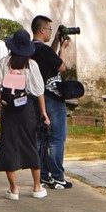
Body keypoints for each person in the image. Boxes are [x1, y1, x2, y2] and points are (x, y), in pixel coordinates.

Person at [0, 31, 48, 199]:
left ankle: (14, 189)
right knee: (30, 144)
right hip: (26, 108)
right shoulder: (31, 65)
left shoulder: (4, 63)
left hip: (8, 109)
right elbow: (39, 92)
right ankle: (37, 187)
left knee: (8, 144)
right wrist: (44, 113)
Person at [30, 16, 72, 189]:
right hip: (52, 98)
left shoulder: (31, 48)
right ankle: (58, 176)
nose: (50, 32)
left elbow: (48, 57)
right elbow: (61, 66)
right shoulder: (44, 51)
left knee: (43, 138)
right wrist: (63, 48)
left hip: (37, 98)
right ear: (41, 30)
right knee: (56, 138)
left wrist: (55, 41)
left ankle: (45, 175)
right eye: (48, 29)